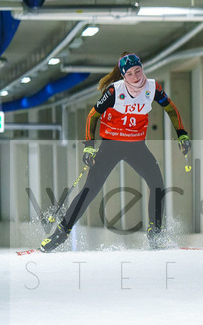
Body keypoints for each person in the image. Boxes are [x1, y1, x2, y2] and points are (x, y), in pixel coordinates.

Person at [39, 52, 191, 252]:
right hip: (111, 146)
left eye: (138, 71)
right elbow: (93, 116)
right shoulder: (114, 92)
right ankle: (60, 234)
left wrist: (181, 134)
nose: (136, 77)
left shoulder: (152, 88)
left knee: (157, 184)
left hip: (136, 147)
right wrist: (89, 147)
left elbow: (171, 108)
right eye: (130, 74)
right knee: (90, 190)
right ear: (123, 76)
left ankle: (156, 235)